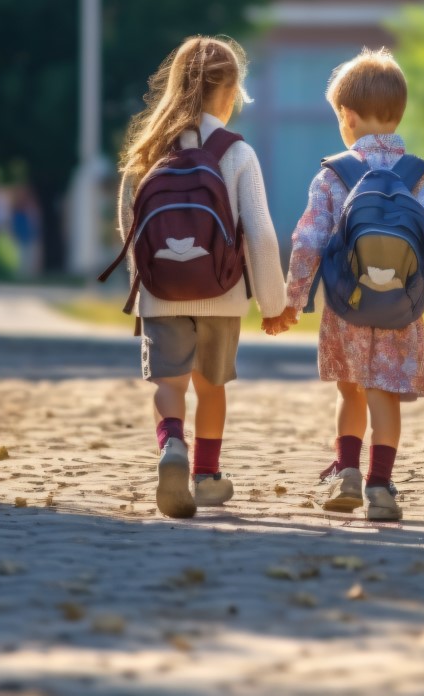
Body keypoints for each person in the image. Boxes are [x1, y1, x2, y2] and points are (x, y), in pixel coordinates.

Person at [265, 48, 424, 522]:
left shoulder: (332, 175)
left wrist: (291, 301)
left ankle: (346, 471)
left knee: (351, 392)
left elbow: (307, 243)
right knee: (385, 395)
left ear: (346, 115)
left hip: (347, 306)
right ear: (398, 112)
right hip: (400, 311)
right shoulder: (420, 180)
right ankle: (381, 487)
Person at [109, 36, 287, 519]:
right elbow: (262, 235)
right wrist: (274, 304)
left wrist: (148, 284)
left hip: (161, 293)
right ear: (230, 92)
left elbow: (130, 225)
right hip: (222, 293)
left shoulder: (148, 150)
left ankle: (171, 447)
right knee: (212, 386)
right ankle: (207, 477)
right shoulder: (236, 153)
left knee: (169, 385)